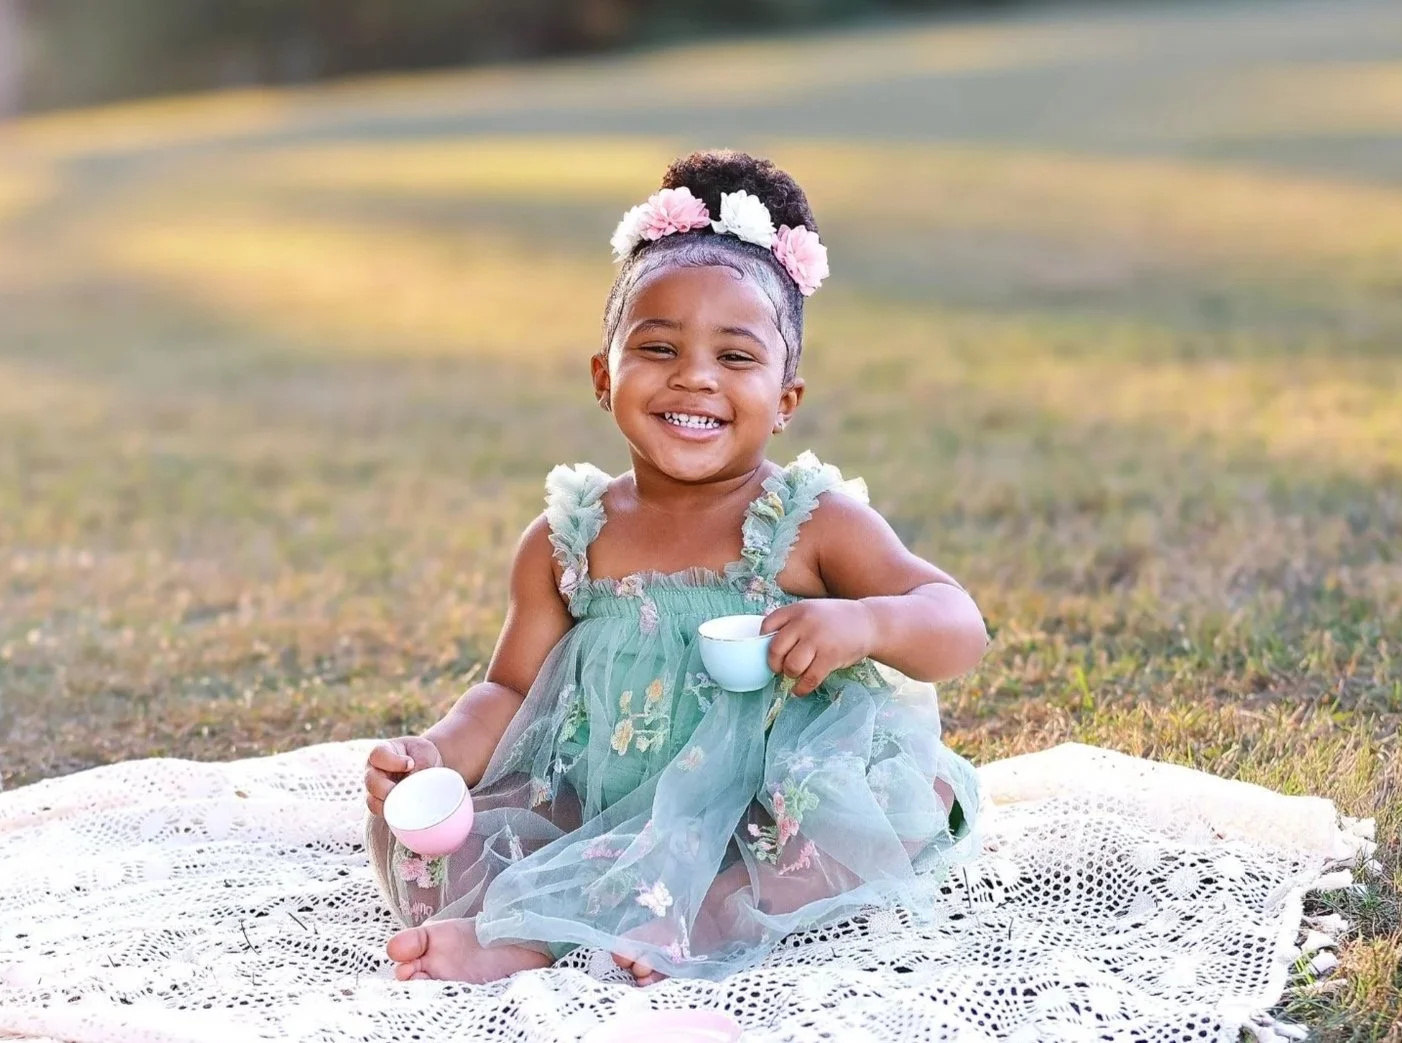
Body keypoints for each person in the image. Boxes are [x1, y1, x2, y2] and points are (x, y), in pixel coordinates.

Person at [363, 150, 987, 986]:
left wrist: (863, 621)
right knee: (439, 830)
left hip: (766, 810)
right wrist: (437, 751)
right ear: (603, 376)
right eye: (657, 348)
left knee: (907, 805)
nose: (694, 375)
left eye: (735, 358)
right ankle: (537, 928)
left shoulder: (809, 523)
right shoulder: (569, 538)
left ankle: (711, 906)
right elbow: (508, 693)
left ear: (787, 397)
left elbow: (956, 624)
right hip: (610, 803)